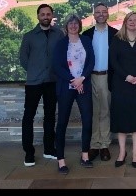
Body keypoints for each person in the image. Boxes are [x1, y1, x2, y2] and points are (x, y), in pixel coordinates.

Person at [18, 3, 64, 167]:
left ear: (52, 16)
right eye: (43, 14)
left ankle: (49, 149)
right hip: (34, 82)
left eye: (48, 14)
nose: (46, 16)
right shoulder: (29, 36)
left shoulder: (59, 34)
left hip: (52, 81)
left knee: (50, 116)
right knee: (28, 117)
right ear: (38, 16)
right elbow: (24, 59)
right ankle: (29, 153)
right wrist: (35, 70)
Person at [52, 13, 95, 175]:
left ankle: (85, 155)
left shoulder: (86, 41)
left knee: (88, 121)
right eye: (70, 23)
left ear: (79, 25)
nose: (73, 25)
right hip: (66, 87)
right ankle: (61, 160)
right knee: (62, 122)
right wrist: (73, 80)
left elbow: (91, 61)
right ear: (66, 26)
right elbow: (57, 66)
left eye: (76, 23)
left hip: (83, 86)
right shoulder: (61, 44)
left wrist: (82, 78)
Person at [109, 11, 136, 168]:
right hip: (121, 84)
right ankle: (121, 152)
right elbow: (113, 61)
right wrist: (126, 76)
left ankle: (135, 154)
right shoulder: (117, 39)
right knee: (121, 119)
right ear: (125, 22)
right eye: (130, 20)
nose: (133, 22)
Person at [83, 3, 118, 162]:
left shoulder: (115, 34)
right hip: (89, 77)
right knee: (92, 111)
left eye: (104, 11)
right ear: (94, 15)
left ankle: (104, 145)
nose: (101, 14)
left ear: (108, 14)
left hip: (106, 77)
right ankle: (94, 145)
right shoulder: (87, 34)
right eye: (98, 12)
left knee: (104, 111)